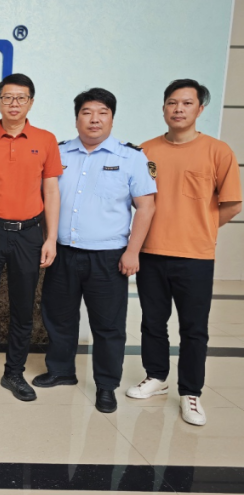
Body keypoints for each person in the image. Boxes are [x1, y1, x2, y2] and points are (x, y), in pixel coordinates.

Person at [126, 79, 242, 426]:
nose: (179, 109)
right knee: (152, 321)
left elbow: (232, 204)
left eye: (187, 103)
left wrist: (200, 228)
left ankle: (191, 392)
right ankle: (156, 376)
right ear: (163, 108)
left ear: (200, 109)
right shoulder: (145, 151)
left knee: (194, 328)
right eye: (172, 103)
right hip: (151, 252)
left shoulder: (217, 151)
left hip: (195, 256)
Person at [34, 88, 156, 413]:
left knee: (108, 325)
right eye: (87, 112)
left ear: (112, 118)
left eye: (102, 112)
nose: (94, 119)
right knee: (59, 317)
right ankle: (61, 370)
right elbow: (44, 200)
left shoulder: (131, 157)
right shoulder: (58, 153)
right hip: (63, 252)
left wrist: (133, 252)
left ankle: (106, 385)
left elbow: (146, 208)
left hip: (108, 256)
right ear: (77, 118)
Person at [0, 73, 61, 402]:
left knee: (22, 308)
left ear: (31, 102)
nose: (14, 103)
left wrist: (50, 238)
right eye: (7, 97)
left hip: (29, 234)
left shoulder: (46, 140)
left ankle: (14, 373)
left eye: (21, 98)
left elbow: (51, 191)